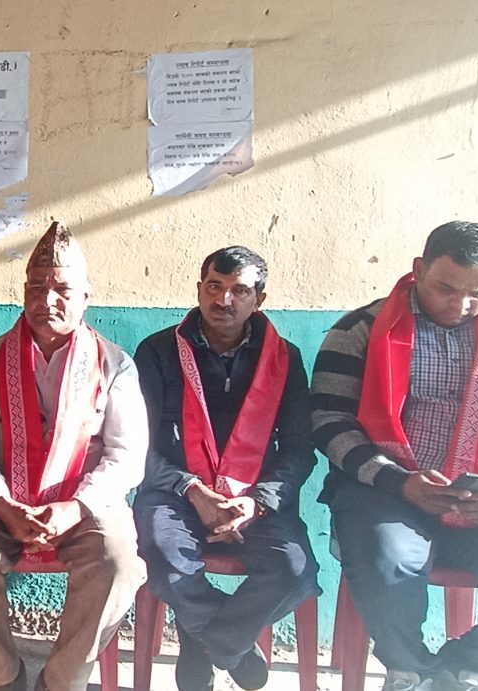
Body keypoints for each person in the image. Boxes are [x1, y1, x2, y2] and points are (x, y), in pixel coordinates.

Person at [0, 222, 148, 691]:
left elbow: (126, 455)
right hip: (3, 500)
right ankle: (3, 674)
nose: (47, 300)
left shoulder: (115, 364)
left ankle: (60, 681)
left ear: (85, 298)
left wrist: (77, 507)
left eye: (62, 290)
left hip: (85, 503)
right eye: (36, 288)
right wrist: (1, 504)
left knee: (118, 560)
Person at [312, 221, 478, 691]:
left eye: (477, 294)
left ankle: (470, 662)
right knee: (386, 558)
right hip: (383, 492)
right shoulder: (359, 330)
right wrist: (399, 481)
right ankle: (411, 669)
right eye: (446, 289)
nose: (460, 305)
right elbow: (329, 422)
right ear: (419, 269)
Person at [133, 246, 319, 691]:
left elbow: (300, 450)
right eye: (214, 287)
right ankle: (230, 639)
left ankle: (209, 641)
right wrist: (190, 489)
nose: (224, 300)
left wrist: (257, 502)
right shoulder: (158, 352)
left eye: (239, 290)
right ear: (199, 289)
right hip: (174, 494)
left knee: (295, 571)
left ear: (260, 299)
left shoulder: (284, 358)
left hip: (254, 500)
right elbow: (135, 444)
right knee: (163, 556)